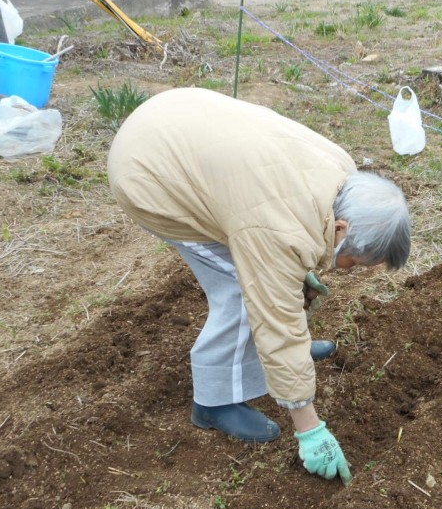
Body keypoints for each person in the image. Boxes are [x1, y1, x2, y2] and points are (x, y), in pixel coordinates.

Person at [107, 88, 411, 481]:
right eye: (357, 261)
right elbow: (276, 319)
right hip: (150, 171)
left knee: (266, 271)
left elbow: (282, 219)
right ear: (341, 229)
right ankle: (214, 402)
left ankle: (260, 369)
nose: (352, 270)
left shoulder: (340, 173)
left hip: (178, 122)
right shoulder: (277, 229)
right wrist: (309, 427)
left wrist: (295, 268)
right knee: (241, 288)